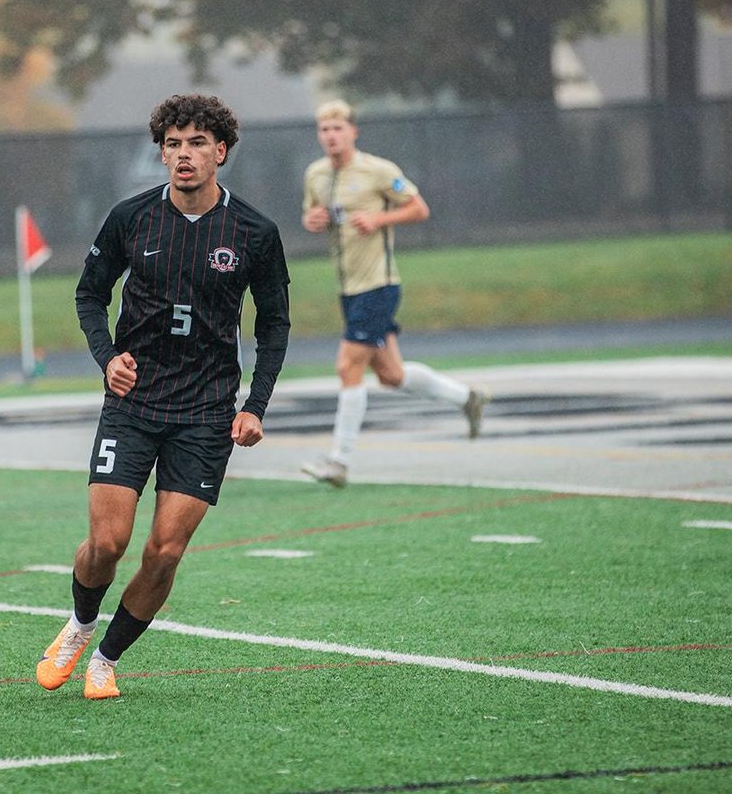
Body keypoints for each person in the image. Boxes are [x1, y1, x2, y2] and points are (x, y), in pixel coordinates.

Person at [36, 94, 290, 700]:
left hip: (205, 413)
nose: (183, 155)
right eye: (173, 144)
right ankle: (79, 625)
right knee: (107, 543)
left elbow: (275, 323)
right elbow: (89, 295)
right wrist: (108, 358)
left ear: (220, 152)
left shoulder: (254, 232)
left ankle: (106, 658)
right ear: (161, 153)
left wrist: (255, 405)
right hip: (134, 404)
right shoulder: (131, 218)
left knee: (165, 551)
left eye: (197, 143)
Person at [299, 100, 489, 489]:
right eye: (325, 129)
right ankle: (467, 397)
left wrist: (379, 218)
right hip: (348, 288)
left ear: (353, 132)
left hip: (378, 284)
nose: (331, 136)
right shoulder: (316, 174)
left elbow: (419, 209)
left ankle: (339, 461)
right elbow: (313, 213)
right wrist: (312, 220)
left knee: (347, 366)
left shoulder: (378, 170)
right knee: (390, 375)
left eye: (338, 128)